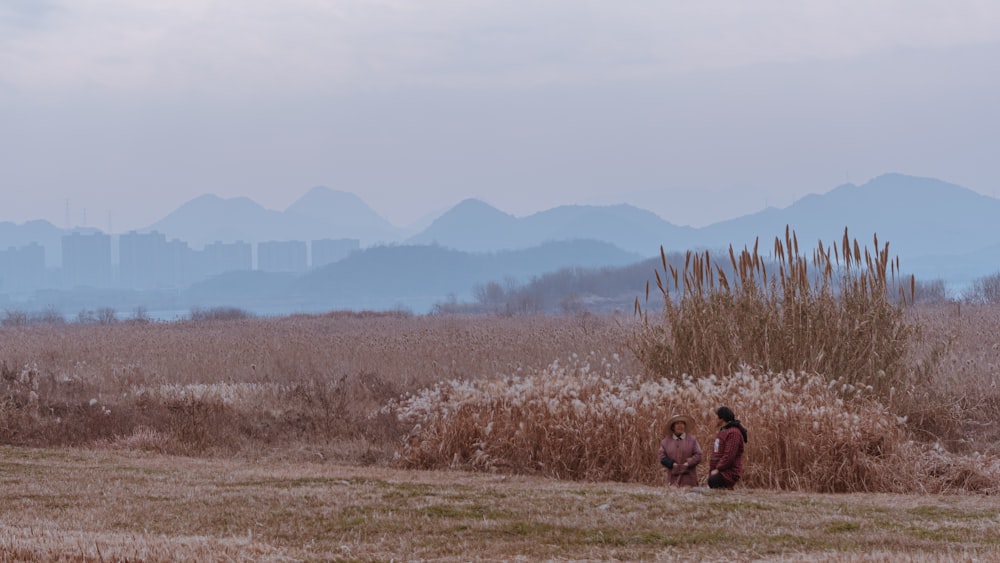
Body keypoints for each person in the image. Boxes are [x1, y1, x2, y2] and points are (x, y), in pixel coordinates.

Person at [708, 406, 748, 489]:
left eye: (716, 417)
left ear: (721, 419)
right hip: (720, 471)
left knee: (714, 481)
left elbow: (729, 455)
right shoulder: (723, 431)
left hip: (728, 472)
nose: (715, 419)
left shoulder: (733, 433)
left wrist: (718, 469)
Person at [658, 414, 703, 487]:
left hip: (690, 480)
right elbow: (662, 457)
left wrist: (687, 464)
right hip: (672, 480)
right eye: (677, 424)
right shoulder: (665, 442)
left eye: (682, 423)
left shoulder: (692, 440)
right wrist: (672, 464)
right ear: (673, 427)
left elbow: (698, 455)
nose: (680, 426)